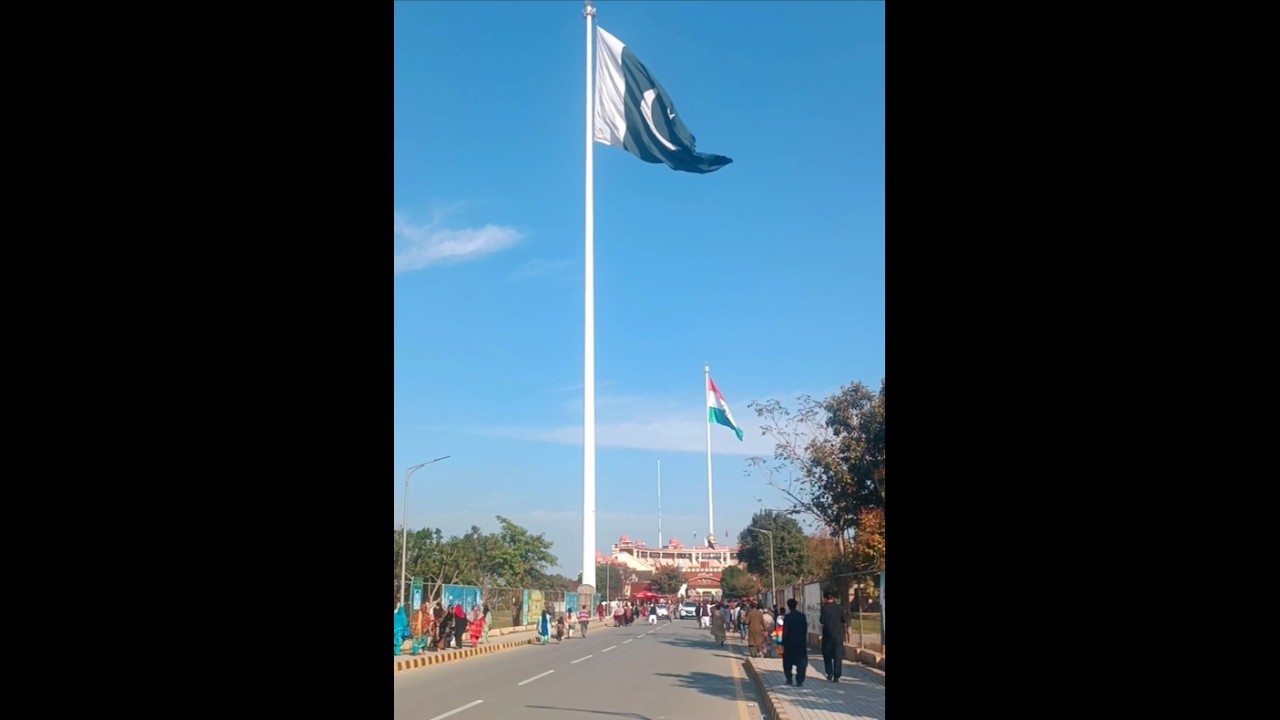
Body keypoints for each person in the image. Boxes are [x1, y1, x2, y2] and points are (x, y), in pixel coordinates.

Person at [819, 590, 849, 682]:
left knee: (827, 655)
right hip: (838, 635)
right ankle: (837, 675)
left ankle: (829, 673)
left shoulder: (824, 608)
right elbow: (844, 619)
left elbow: (822, 620)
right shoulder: (840, 608)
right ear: (834, 598)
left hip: (828, 635)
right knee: (837, 656)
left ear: (825, 598)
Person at [781, 598, 809, 686]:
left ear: (788, 606)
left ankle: (789, 679)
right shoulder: (802, 616)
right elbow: (805, 629)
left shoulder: (788, 617)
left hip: (789, 643)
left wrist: (783, 642)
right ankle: (800, 681)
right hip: (800, 643)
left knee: (787, 662)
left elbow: (785, 631)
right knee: (801, 663)